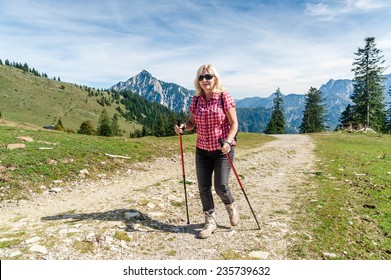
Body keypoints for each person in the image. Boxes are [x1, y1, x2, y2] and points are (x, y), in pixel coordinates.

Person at [175, 64, 239, 239]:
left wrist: (228, 141)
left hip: (222, 149)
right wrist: (183, 128)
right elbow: (191, 122)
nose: (205, 80)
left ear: (215, 78)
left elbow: (234, 123)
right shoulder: (196, 100)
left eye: (208, 76)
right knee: (203, 187)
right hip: (202, 149)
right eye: (201, 78)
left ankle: (230, 205)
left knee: (221, 186)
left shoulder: (224, 97)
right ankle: (210, 220)